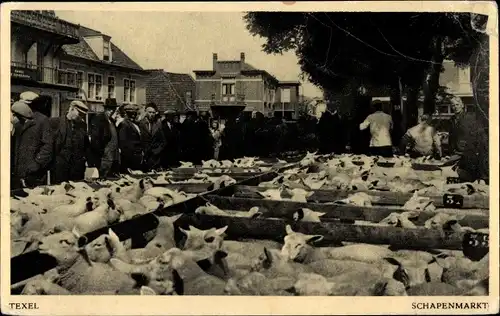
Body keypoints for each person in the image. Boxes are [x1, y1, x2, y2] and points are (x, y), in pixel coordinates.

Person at [11, 100, 54, 188]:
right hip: (16, 170)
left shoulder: (41, 120)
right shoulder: (16, 124)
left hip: (31, 171)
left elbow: (48, 146)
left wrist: (37, 163)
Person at [447, 96, 489, 182]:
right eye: (453, 105)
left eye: (457, 104)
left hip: (469, 152)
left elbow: (478, 135)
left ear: (462, 105)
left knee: (470, 176)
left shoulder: (470, 117)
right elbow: (452, 137)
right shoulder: (451, 120)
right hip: (457, 152)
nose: (455, 107)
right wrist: (450, 151)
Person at [49, 100, 90, 184]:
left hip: (77, 169)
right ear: (71, 109)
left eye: (83, 115)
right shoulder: (55, 122)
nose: (81, 118)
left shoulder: (83, 125)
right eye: (79, 114)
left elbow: (86, 146)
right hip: (59, 168)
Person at [116, 105, 144, 173]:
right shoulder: (124, 124)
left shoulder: (134, 124)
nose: (133, 116)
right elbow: (123, 144)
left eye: (134, 114)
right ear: (126, 114)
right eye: (131, 114)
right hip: (130, 159)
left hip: (136, 157)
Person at [139, 103, 166, 171]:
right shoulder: (140, 124)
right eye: (150, 112)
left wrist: (157, 151)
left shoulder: (158, 125)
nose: (152, 114)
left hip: (155, 158)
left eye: (153, 112)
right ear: (145, 112)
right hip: (144, 156)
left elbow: (163, 141)